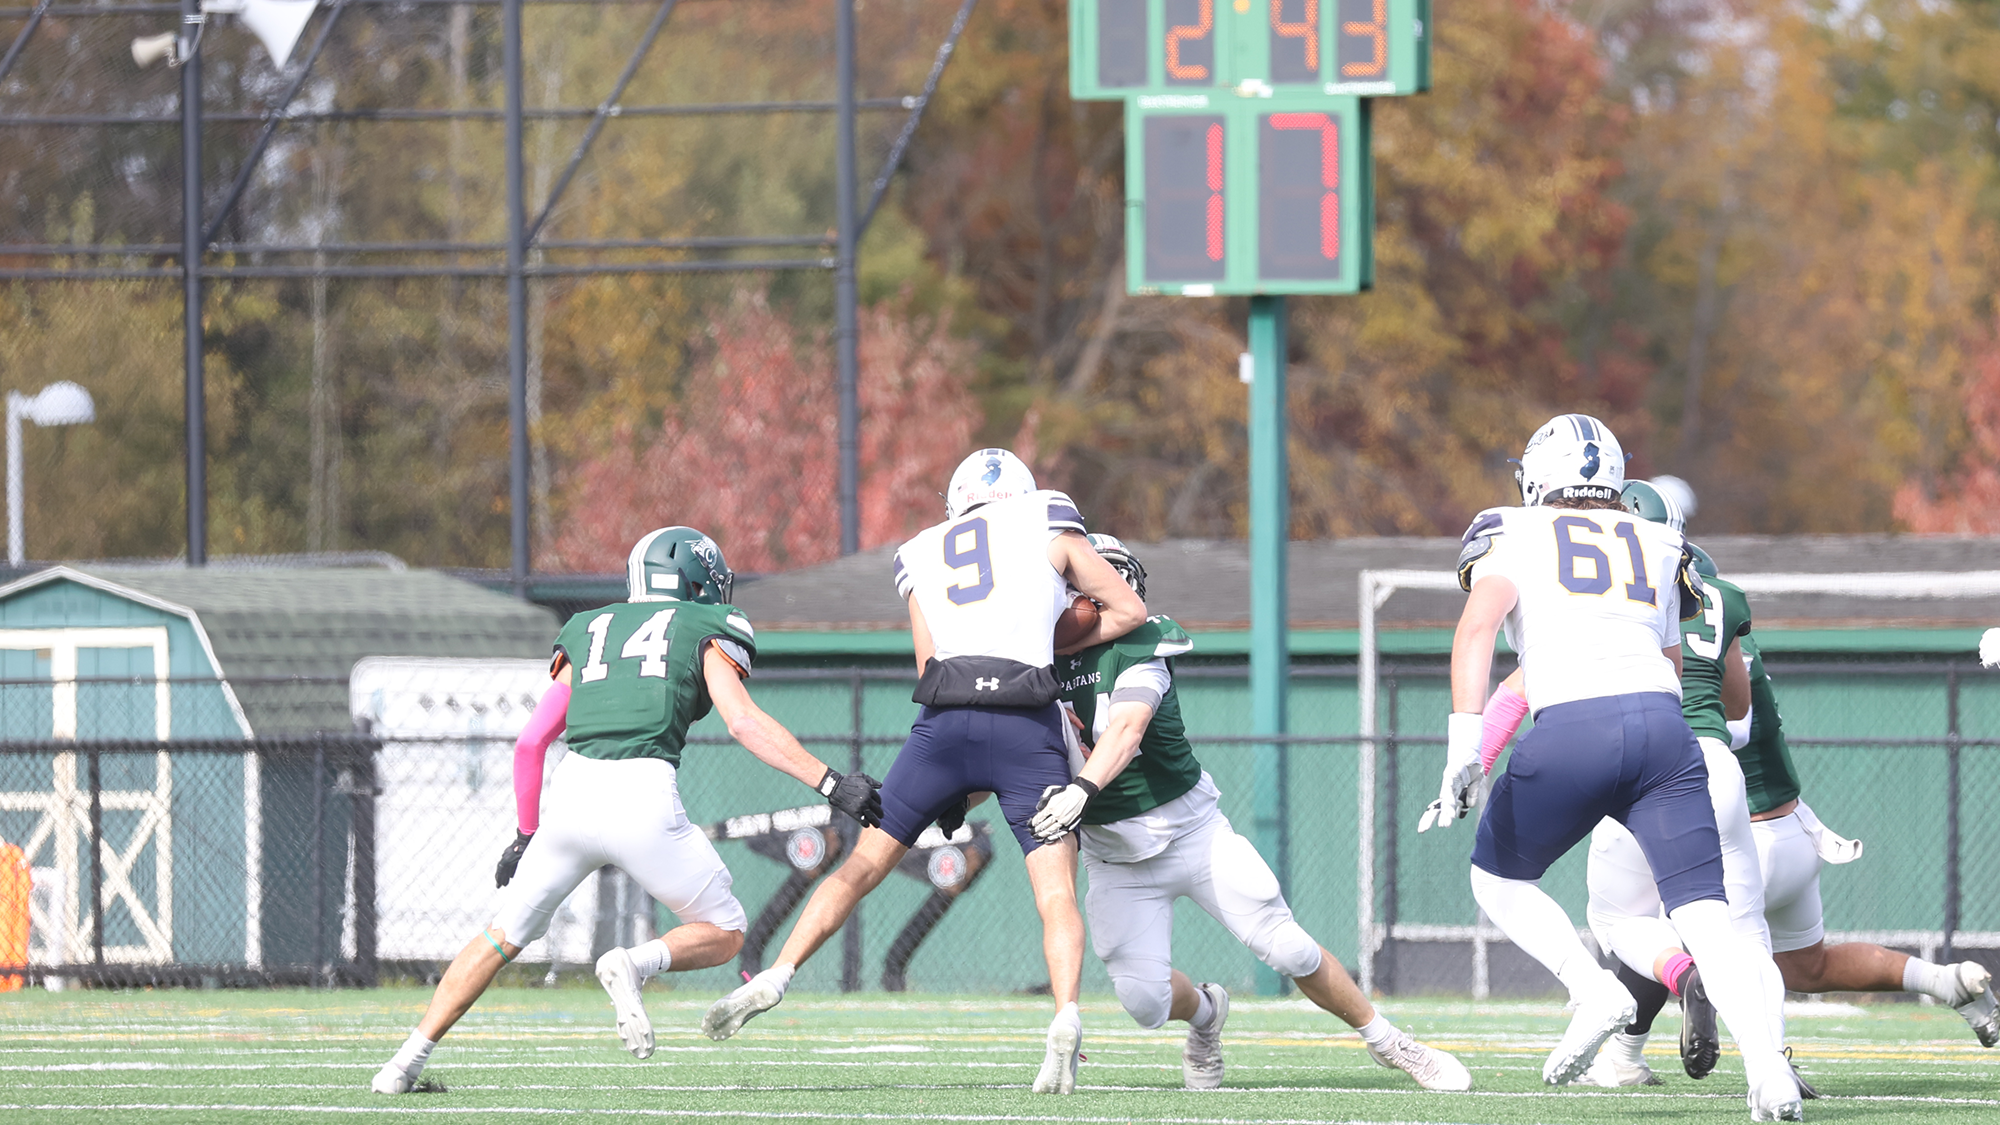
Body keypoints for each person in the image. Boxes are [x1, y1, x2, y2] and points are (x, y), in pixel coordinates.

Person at [371, 527, 884, 1094]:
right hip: (642, 791)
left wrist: (524, 834)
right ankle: (634, 965)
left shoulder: (588, 627)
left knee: (499, 938)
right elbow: (742, 721)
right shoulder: (710, 625)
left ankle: (402, 1066)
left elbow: (531, 742)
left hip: (570, 795)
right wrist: (829, 781)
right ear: (692, 580)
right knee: (726, 928)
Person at [700, 449, 1147, 1095]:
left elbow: (927, 662)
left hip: (943, 727)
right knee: (1055, 892)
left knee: (857, 866)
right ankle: (1066, 1015)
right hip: (1025, 720)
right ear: (1019, 491)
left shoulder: (921, 549)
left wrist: (955, 782)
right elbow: (1126, 610)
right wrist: (1044, 642)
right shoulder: (1048, 515)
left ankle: (779, 972)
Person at [1426, 414, 1802, 1120]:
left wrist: (1464, 745)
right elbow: (1667, 659)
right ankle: (1768, 1074)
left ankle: (1592, 987)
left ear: (1541, 471)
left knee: (1495, 876)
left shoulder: (1512, 529)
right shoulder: (1663, 539)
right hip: (1666, 730)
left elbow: (1477, 629)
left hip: (1572, 722)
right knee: (1709, 917)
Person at [1041, 534, 1471, 1091]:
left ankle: (1390, 1042)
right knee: (1144, 1003)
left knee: (1286, 944)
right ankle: (1205, 1014)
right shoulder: (1032, 665)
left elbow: (1128, 727)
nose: (1093, 598)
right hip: (1113, 856)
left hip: (1190, 831)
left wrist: (1081, 786)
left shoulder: (1144, 641)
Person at [1739, 630, 1998, 1045]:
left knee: (1646, 931)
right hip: (1793, 828)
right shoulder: (1735, 643)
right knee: (1808, 968)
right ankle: (1946, 982)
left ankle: (1762, 1068)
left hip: (1741, 838)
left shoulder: (1684, 655)